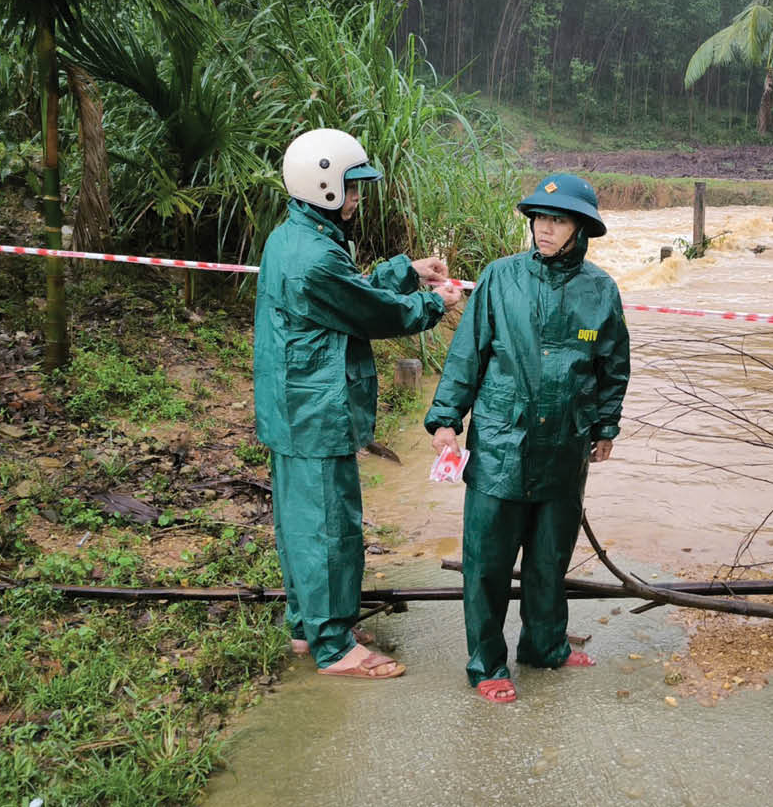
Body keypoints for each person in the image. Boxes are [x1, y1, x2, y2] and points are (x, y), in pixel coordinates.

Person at [253, 127, 462, 679]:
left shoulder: (295, 237)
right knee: (329, 527)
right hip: (313, 409)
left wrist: (405, 271)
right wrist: (431, 304)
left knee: (302, 523)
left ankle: (310, 625)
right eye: (351, 189)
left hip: (294, 406)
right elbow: (374, 312)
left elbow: (352, 286)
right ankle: (333, 647)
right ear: (322, 186)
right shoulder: (314, 256)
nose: (356, 199)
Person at [425, 173, 631, 702]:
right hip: (499, 443)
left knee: (548, 561)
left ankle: (544, 645)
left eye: (557, 220)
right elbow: (467, 354)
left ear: (580, 228)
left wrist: (605, 426)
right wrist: (446, 419)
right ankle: (487, 664)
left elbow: (613, 366)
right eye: (539, 218)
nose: (544, 229)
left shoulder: (600, 291)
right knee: (488, 564)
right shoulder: (500, 278)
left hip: (565, 447)